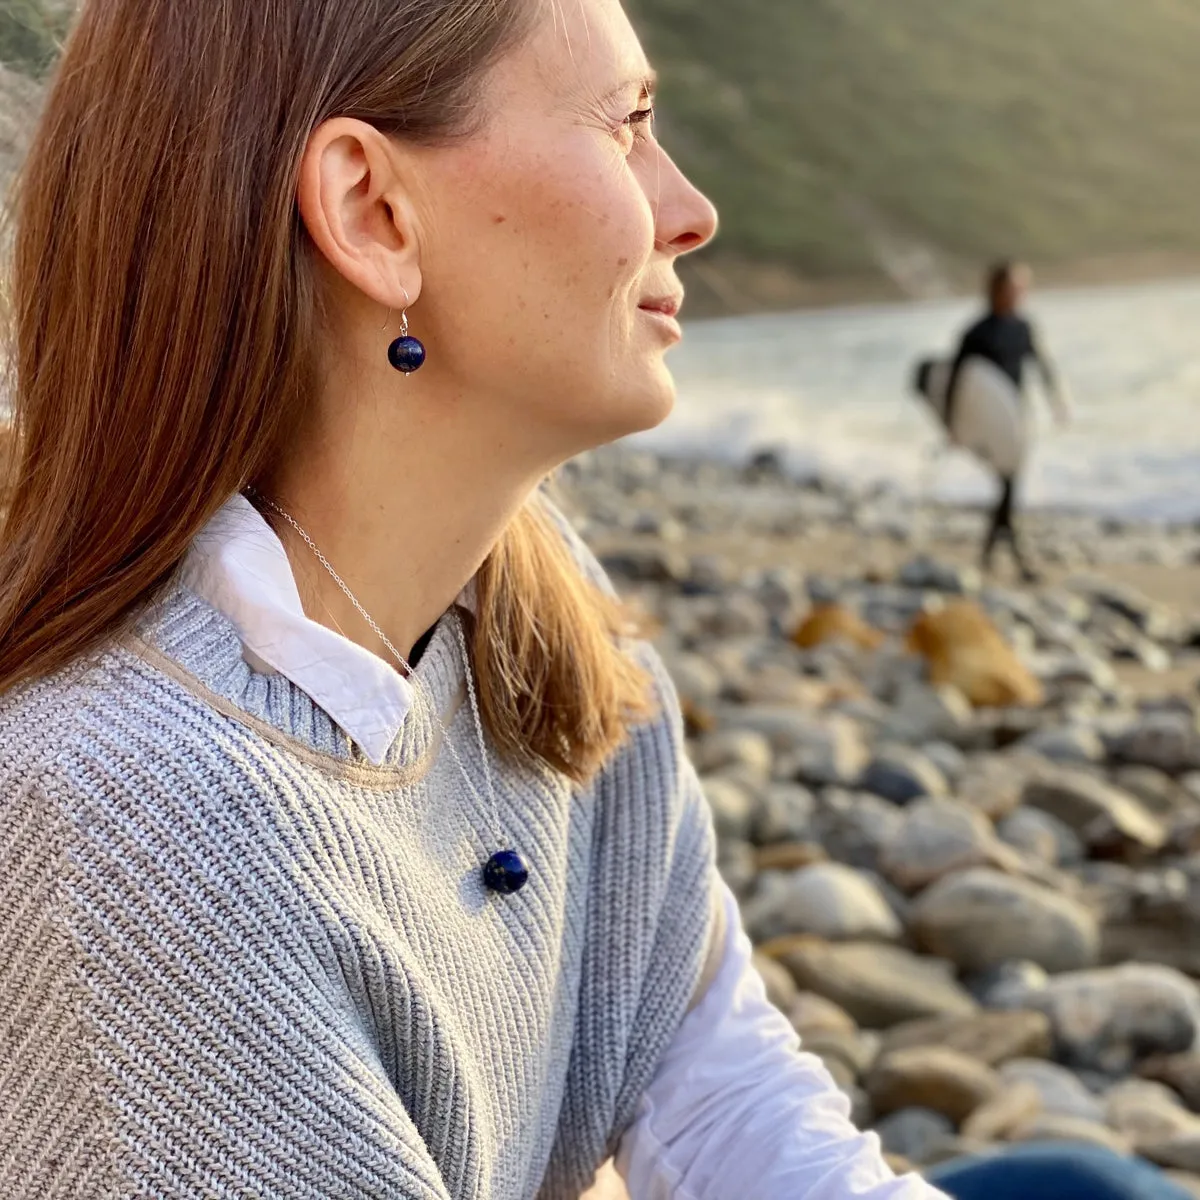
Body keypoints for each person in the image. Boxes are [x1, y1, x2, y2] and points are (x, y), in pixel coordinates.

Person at [0, 3, 1180, 1198]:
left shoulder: (527, 601)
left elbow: (720, 1093)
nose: (692, 210)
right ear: (374, 212)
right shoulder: (140, 829)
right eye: (628, 126)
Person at [943, 260, 1071, 582]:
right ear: (996, 290)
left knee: (1007, 486)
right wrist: (952, 425)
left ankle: (991, 556)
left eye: (1021, 288)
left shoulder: (1023, 327)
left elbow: (1042, 365)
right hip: (988, 425)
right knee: (1008, 485)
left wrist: (1056, 402)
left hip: (1017, 417)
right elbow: (957, 381)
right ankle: (1015, 559)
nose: (1018, 294)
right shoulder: (976, 333)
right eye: (1013, 288)